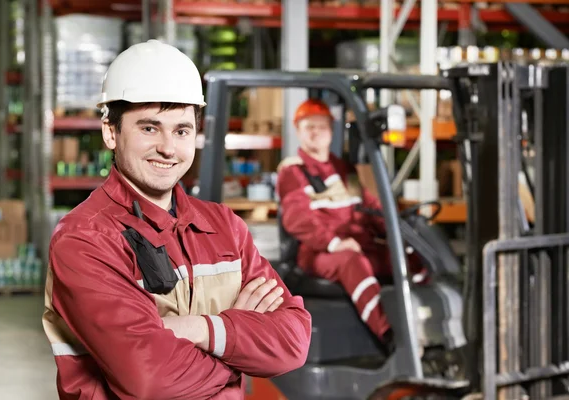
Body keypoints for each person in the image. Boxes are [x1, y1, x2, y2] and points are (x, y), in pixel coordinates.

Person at [42, 40, 312, 399]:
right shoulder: (85, 239)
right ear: (111, 132)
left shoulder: (225, 227)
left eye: (181, 130)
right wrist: (239, 344)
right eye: (149, 128)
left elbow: (294, 341)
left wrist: (199, 329)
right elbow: (150, 379)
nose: (169, 148)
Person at [275, 98, 426, 351]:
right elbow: (297, 218)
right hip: (320, 253)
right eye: (308, 126)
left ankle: (425, 325)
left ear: (331, 131)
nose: (315, 132)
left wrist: (398, 228)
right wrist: (334, 243)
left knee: (410, 257)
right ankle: (389, 336)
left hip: (358, 245)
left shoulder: (344, 170)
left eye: (321, 126)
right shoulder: (294, 172)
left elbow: (369, 208)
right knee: (353, 262)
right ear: (298, 131)